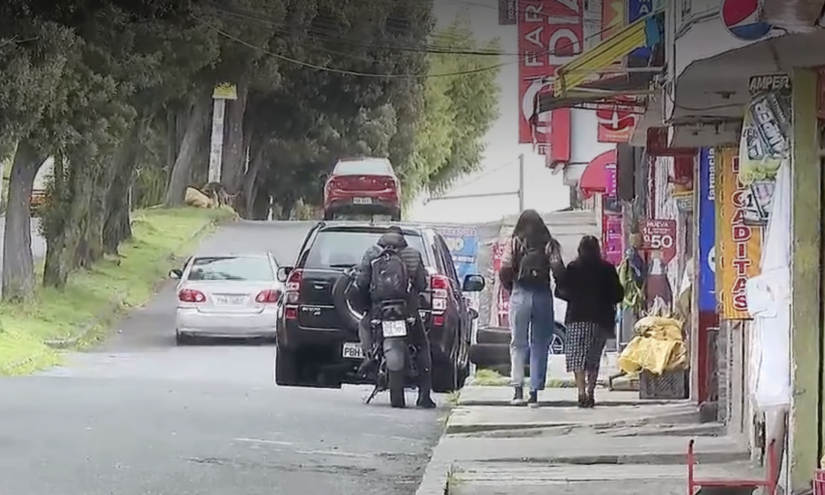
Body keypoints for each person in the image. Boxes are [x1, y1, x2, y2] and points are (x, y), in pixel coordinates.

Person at [354, 226, 436, 409]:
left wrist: (367, 305)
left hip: (379, 312)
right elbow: (422, 284)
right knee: (422, 347)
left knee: (364, 325)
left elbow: (361, 283)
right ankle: (424, 395)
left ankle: (368, 357)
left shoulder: (372, 254)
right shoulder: (413, 255)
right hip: (407, 312)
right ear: (402, 238)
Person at [499, 209, 564, 407]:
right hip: (543, 294)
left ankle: (517, 391)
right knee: (540, 343)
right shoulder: (549, 244)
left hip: (520, 293)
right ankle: (534, 393)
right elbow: (558, 269)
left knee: (518, 343)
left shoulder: (514, 243)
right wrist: (559, 286)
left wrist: (513, 288)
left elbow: (504, 269)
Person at [555, 235, 624, 408]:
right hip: (599, 320)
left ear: (579, 250)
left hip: (577, 318)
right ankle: (591, 392)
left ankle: (581, 392)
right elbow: (618, 295)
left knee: (577, 358)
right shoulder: (607, 269)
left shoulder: (573, 268)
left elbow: (561, 291)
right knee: (593, 358)